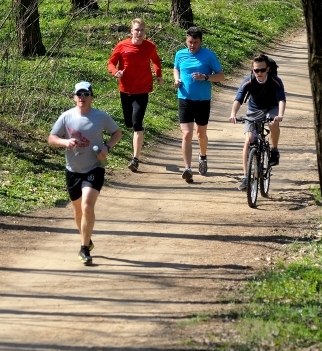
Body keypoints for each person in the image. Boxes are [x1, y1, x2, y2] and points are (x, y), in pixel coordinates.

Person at [48, 82, 122, 266]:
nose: (82, 97)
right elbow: (51, 138)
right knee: (78, 210)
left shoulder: (100, 116)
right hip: (73, 170)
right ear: (74, 97)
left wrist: (107, 147)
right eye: (78, 94)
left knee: (88, 206)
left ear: (91, 96)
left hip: (94, 167)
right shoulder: (66, 117)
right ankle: (87, 239)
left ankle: (83, 248)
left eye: (85, 94)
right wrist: (65, 143)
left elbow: (117, 133)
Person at [107, 17, 163, 173]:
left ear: (145, 32)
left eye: (142, 30)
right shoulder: (122, 45)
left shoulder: (149, 46)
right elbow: (111, 62)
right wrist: (115, 71)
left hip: (143, 89)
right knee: (129, 123)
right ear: (131, 31)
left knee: (137, 123)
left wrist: (158, 75)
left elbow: (156, 61)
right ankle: (136, 134)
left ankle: (135, 159)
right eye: (136, 30)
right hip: (125, 89)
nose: (139, 33)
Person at [172, 26, 224, 183]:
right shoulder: (180, 54)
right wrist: (176, 79)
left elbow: (221, 76)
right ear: (186, 41)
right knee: (187, 134)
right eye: (189, 42)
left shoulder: (208, 55)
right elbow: (176, 68)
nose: (192, 45)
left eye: (195, 42)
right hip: (184, 98)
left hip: (202, 100)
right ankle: (188, 168)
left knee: (200, 133)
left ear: (200, 41)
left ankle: (202, 156)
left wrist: (206, 77)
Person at [229, 54, 286, 191]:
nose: (259, 73)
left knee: (273, 123)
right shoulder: (248, 81)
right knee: (249, 140)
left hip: (272, 107)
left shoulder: (275, 81)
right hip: (254, 109)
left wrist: (280, 115)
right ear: (252, 69)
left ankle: (274, 150)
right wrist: (233, 114)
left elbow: (281, 100)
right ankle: (245, 177)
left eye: (262, 70)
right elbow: (238, 99)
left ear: (268, 69)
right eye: (256, 70)